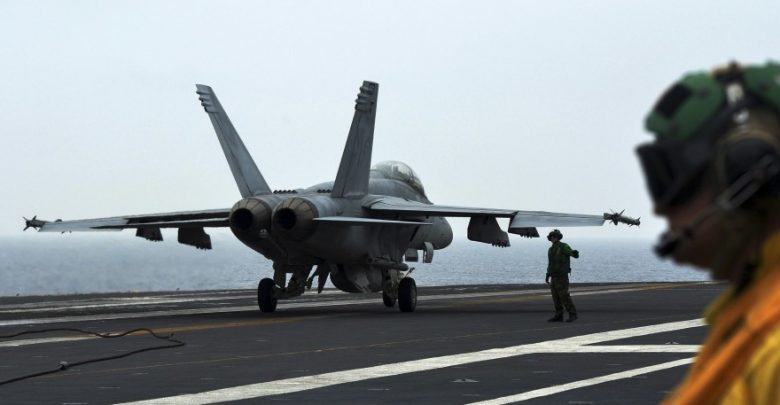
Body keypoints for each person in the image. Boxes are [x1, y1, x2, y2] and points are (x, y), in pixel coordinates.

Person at [636, 61, 780, 405]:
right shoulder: (749, 317)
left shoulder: (773, 354)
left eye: (669, 179)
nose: (661, 210)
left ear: (747, 175)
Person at [545, 229, 579, 322]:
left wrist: (574, 253)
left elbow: (571, 253)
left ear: (558, 237)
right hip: (554, 276)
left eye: (555, 236)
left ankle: (572, 314)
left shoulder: (564, 246)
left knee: (564, 296)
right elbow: (550, 263)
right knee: (555, 297)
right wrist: (548, 274)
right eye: (552, 236)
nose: (553, 238)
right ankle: (559, 315)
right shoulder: (551, 249)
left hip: (562, 276)